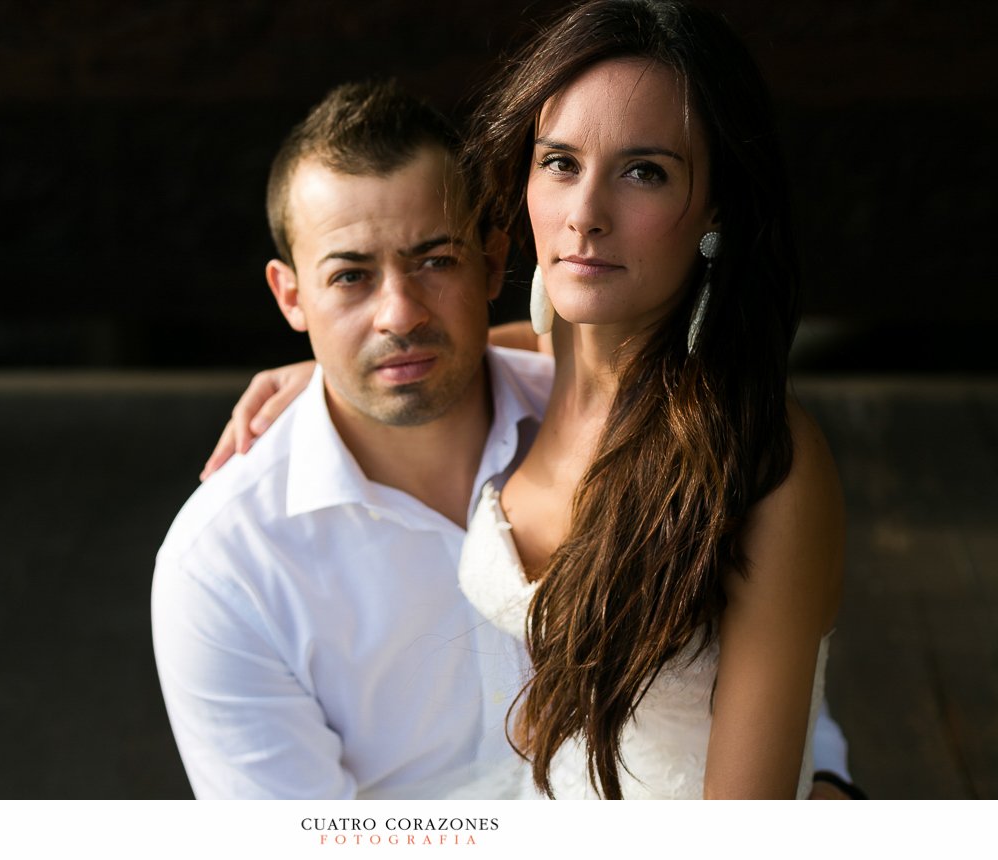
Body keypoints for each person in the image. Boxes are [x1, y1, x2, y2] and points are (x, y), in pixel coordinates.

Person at [159, 77, 854, 799]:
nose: (398, 315)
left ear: (491, 262)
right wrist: (341, 370)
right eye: (350, 277)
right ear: (292, 296)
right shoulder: (223, 567)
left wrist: (830, 787)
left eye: (435, 261)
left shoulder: (638, 412)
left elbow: (755, 661)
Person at [453, 0, 847, 798]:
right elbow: (403, 363)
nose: (584, 216)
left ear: (716, 213)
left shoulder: (769, 468)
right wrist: (316, 376)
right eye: (560, 161)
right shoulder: (537, 355)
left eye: (645, 172)